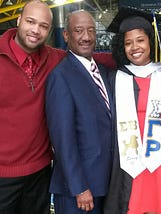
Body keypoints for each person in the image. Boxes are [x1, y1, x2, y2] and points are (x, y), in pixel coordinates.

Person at [0, 1, 114, 213]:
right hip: (3, 174)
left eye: (43, 26)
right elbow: (64, 136)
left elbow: (88, 57)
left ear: (51, 31)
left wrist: (136, 61)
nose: (36, 30)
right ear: (18, 21)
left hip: (39, 173)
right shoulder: (57, 73)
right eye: (30, 22)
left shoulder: (53, 58)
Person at [104, 7, 161, 214]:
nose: (134, 47)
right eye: (128, 43)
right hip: (127, 158)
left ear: (151, 42)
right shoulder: (114, 78)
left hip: (160, 157)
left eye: (140, 40)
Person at [45, 10, 114, 214]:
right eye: (79, 30)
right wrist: (79, 187)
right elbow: (63, 139)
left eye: (91, 30)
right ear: (66, 35)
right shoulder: (61, 76)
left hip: (104, 184)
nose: (86, 36)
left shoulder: (102, 72)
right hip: (78, 191)